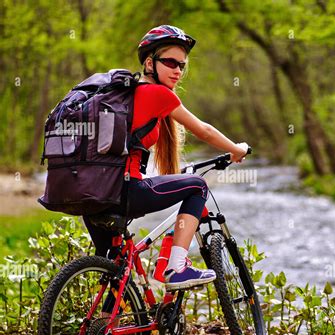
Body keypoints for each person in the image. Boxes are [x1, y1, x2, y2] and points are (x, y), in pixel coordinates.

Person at [83, 25, 248, 291]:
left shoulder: (126, 95)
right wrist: (235, 149)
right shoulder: (156, 93)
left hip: (92, 194)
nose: (177, 70)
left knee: (117, 271)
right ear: (150, 63)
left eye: (182, 65)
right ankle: (176, 268)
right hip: (125, 191)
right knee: (197, 186)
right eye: (170, 62)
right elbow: (203, 130)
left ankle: (102, 326)